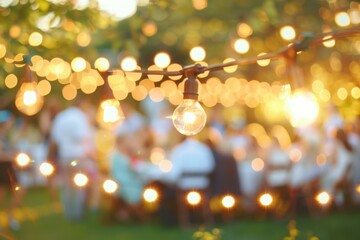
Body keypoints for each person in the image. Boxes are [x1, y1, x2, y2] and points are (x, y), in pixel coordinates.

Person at [50, 97, 94, 220]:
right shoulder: (81, 117)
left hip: (64, 155)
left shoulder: (61, 116)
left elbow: (55, 138)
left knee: (66, 185)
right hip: (78, 155)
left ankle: (68, 213)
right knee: (80, 184)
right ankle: (78, 213)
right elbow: (83, 137)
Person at [164, 135, 215, 227]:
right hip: (202, 183)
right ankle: (208, 221)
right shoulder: (204, 149)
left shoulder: (179, 150)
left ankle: (184, 222)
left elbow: (174, 172)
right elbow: (210, 167)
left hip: (184, 184)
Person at [0, 110, 21, 230]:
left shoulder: (6, 135)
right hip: (2, 168)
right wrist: (12, 156)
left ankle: (10, 216)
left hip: (8, 168)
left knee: (18, 190)